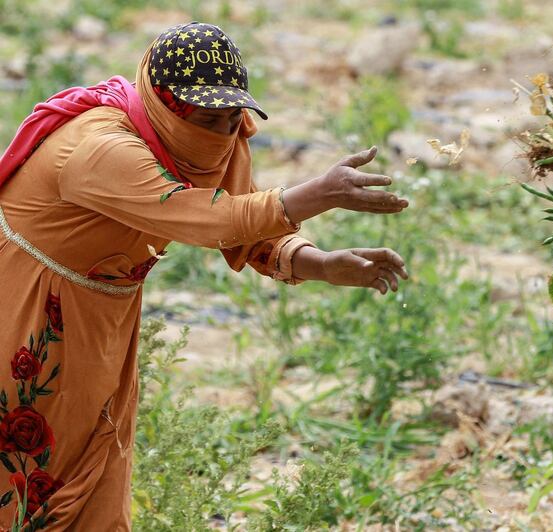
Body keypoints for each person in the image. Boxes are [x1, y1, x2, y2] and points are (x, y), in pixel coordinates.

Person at [0, 21, 409, 530]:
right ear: (164, 104)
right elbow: (208, 218)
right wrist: (317, 194)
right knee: (29, 473)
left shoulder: (216, 133)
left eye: (230, 119)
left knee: (96, 468)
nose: (220, 135)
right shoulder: (99, 150)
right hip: (29, 310)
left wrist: (319, 263)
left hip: (101, 321)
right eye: (206, 119)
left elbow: (247, 224)